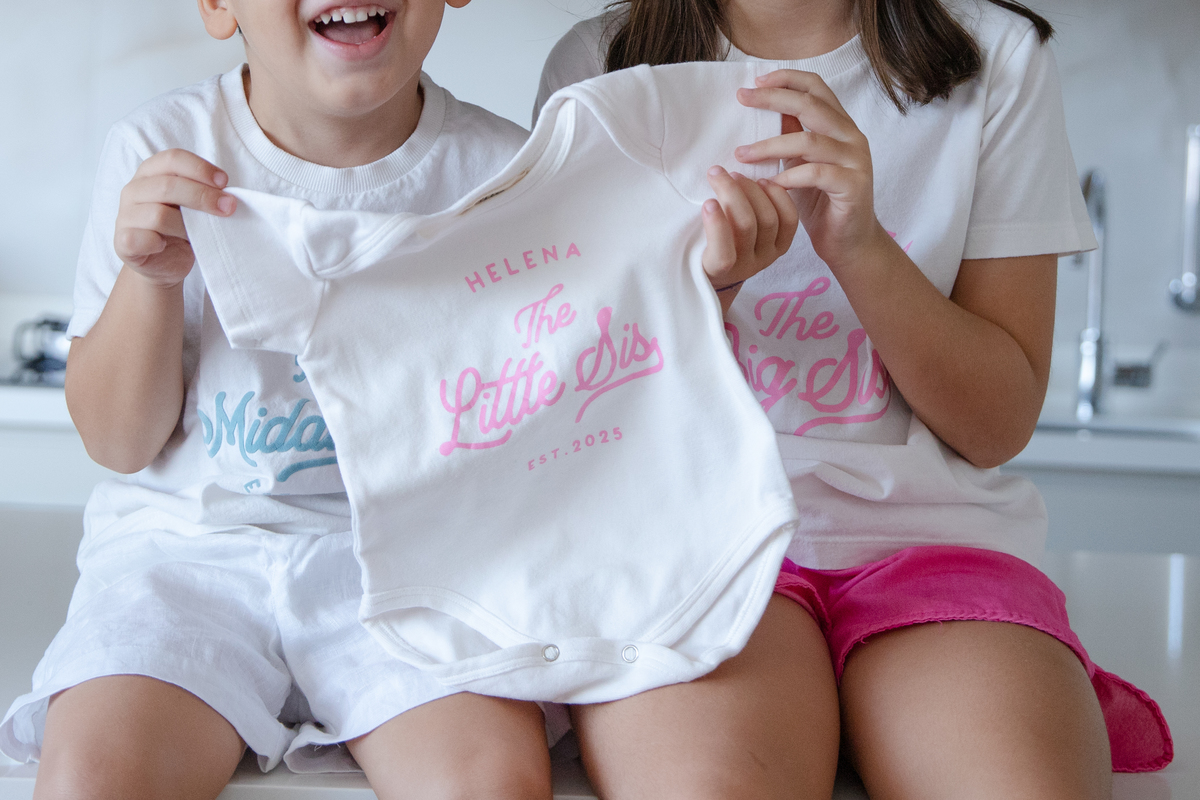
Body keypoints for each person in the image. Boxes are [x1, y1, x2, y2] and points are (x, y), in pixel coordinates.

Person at [1, 1, 804, 798]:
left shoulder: (508, 176)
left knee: (490, 782)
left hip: (423, 564)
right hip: (185, 557)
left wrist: (707, 290)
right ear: (217, 6)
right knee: (91, 779)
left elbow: (578, 415)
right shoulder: (162, 154)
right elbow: (117, 443)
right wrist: (148, 279)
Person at [535, 0, 1173, 797]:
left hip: (937, 549)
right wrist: (708, 297)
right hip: (689, 548)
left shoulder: (998, 57)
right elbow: (572, 418)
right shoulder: (600, 64)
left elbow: (997, 424)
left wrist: (860, 248)